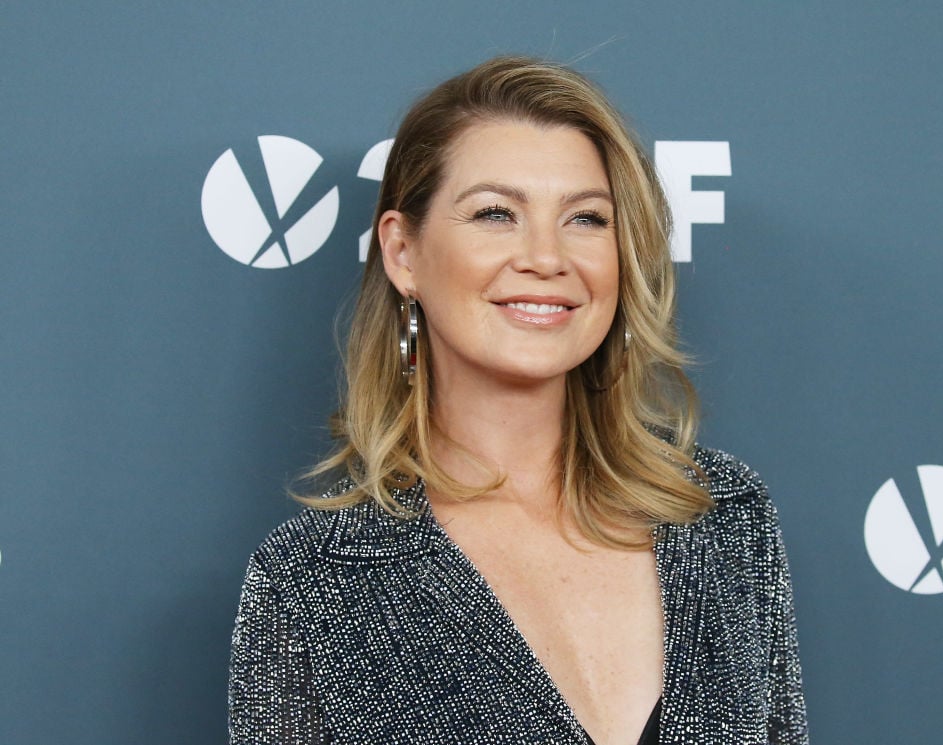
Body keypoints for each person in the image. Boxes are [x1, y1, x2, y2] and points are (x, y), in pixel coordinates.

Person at [228, 56, 808, 745]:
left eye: (586, 218)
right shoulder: (309, 584)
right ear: (403, 252)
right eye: (496, 213)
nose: (546, 257)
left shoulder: (724, 513)